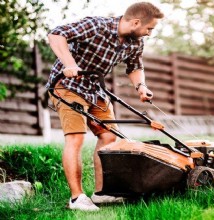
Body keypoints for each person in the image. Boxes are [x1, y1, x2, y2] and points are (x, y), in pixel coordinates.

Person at [46, 2, 164, 211]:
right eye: (149, 29)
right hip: (68, 86)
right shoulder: (97, 26)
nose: (150, 33)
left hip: (95, 89)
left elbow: (135, 66)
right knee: (76, 137)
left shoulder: (135, 42)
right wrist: (69, 63)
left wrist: (141, 86)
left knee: (109, 138)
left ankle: (101, 193)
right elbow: (56, 34)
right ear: (136, 22)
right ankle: (76, 198)